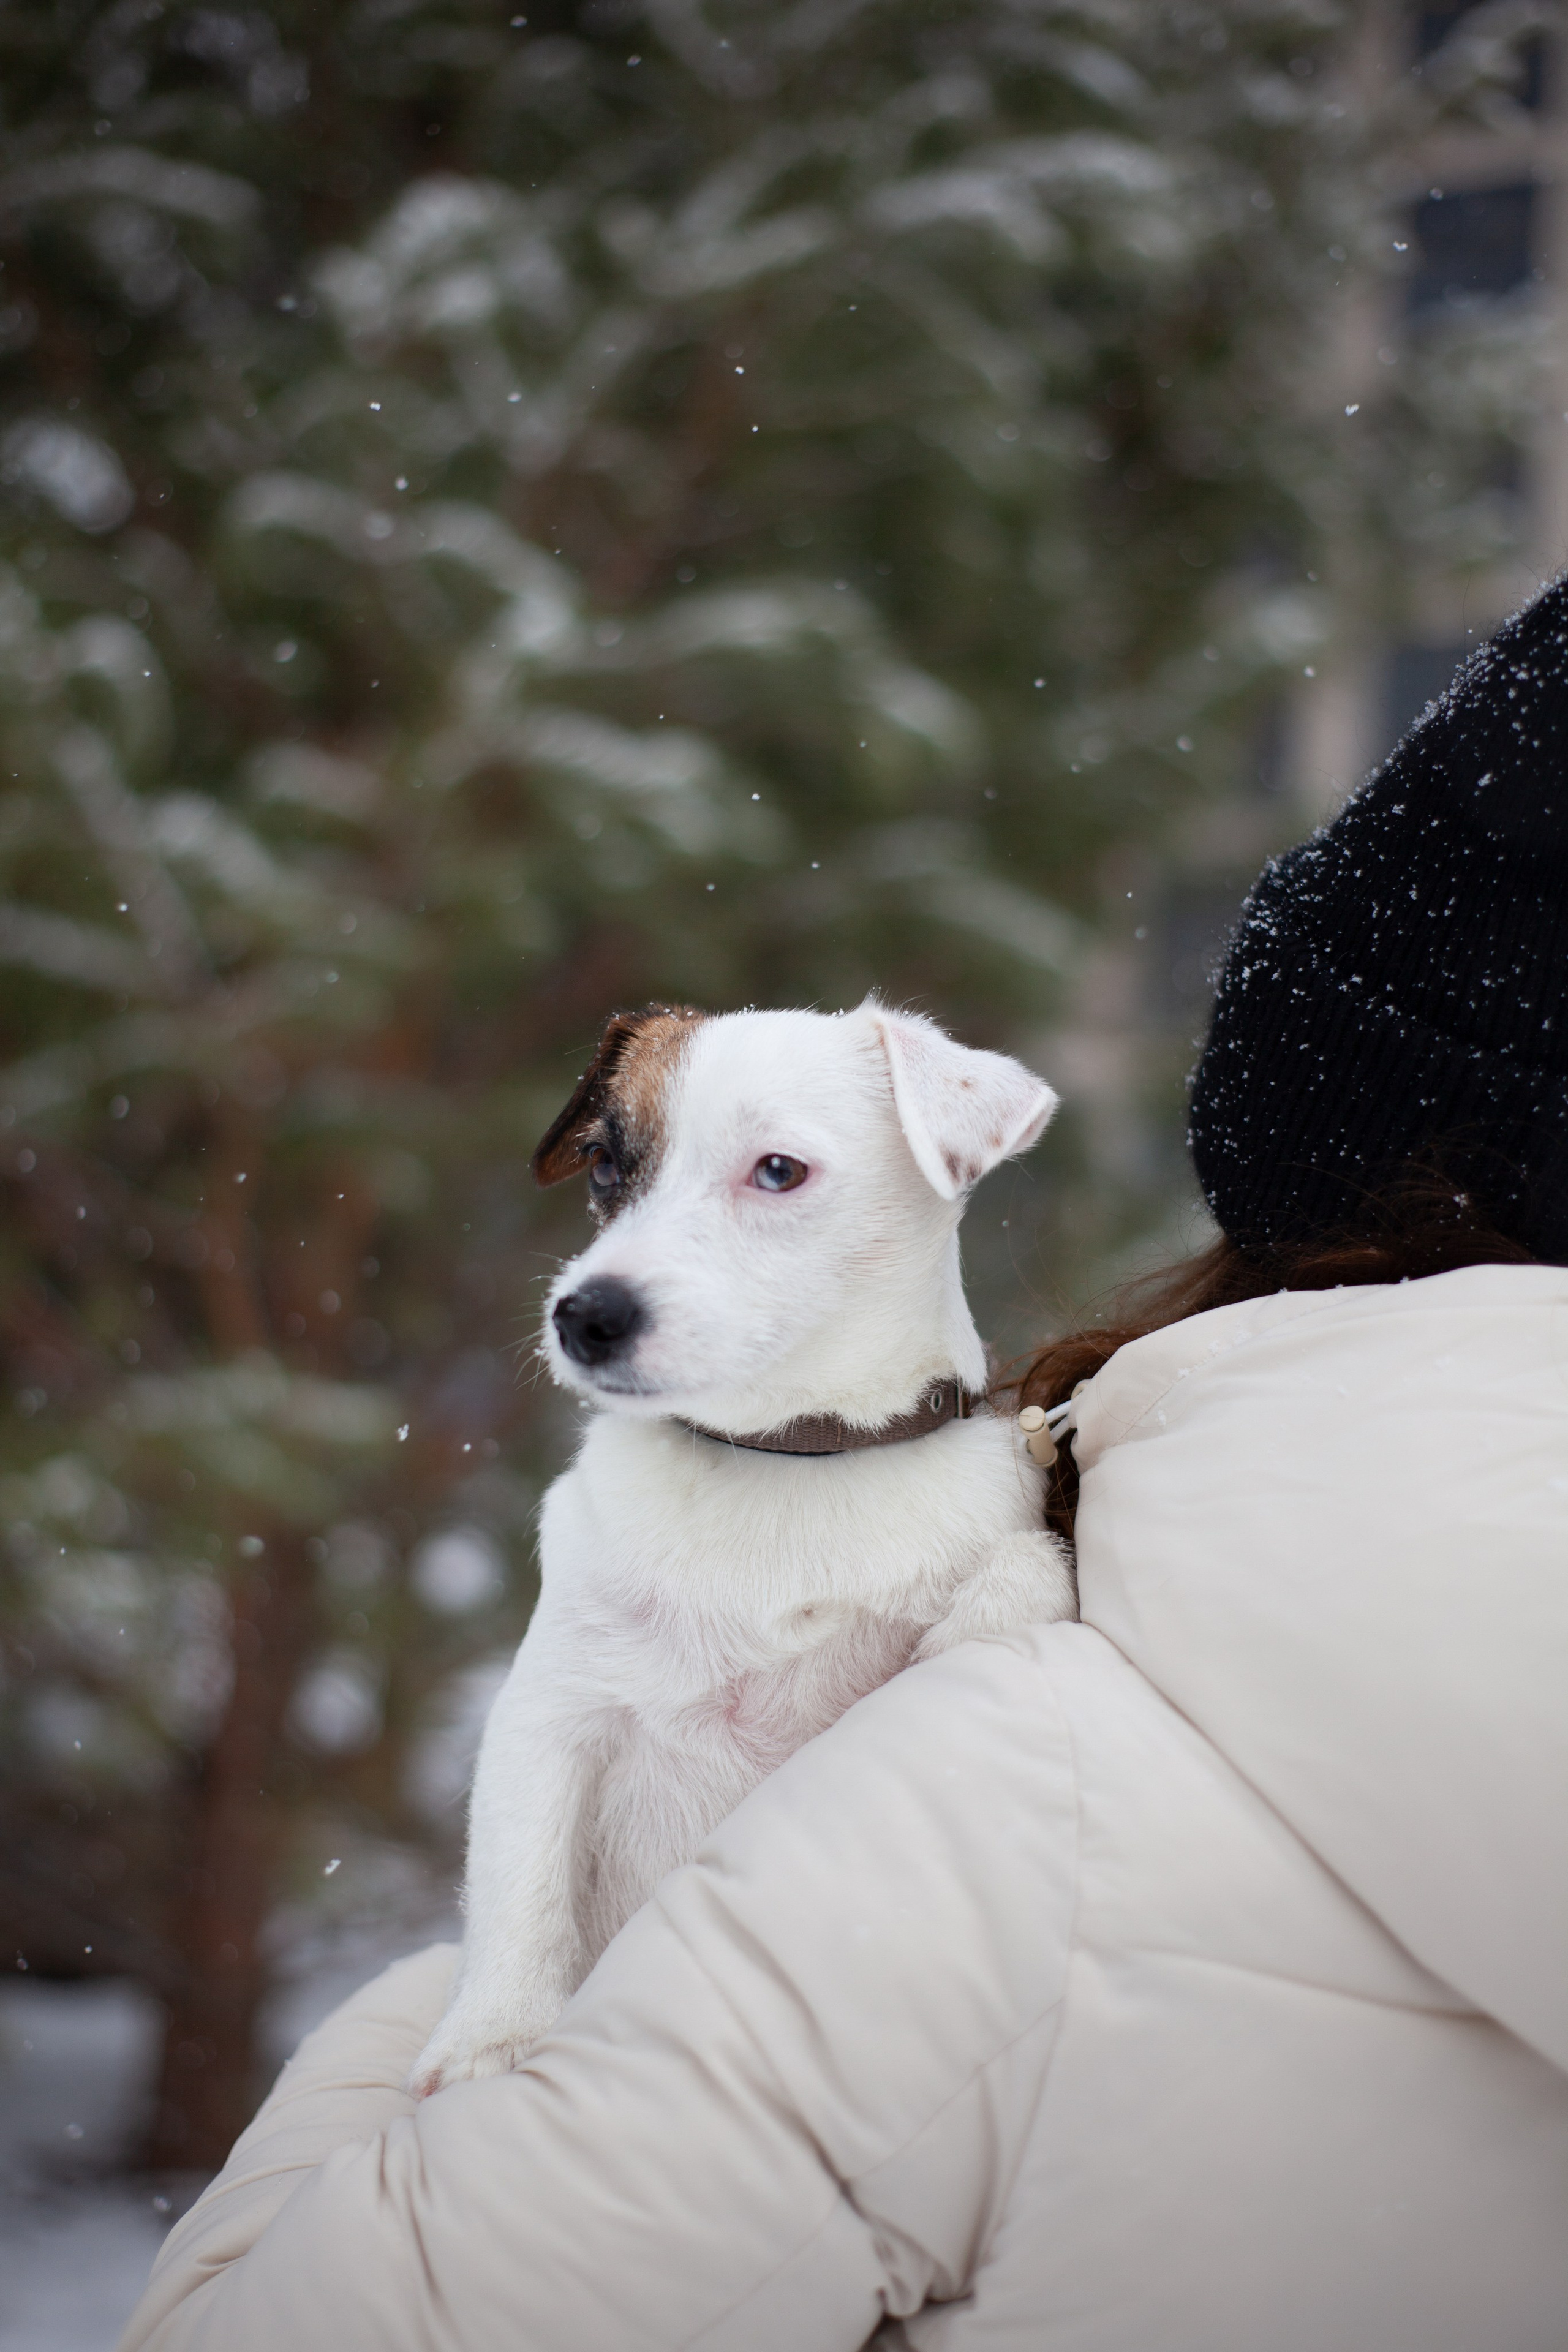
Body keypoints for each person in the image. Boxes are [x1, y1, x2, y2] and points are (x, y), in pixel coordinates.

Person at [119, 580, 1568, 2352]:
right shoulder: (1071, 1623)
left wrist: (432, 2018)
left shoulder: (1035, 1763)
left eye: (772, 1180)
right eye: (623, 1180)